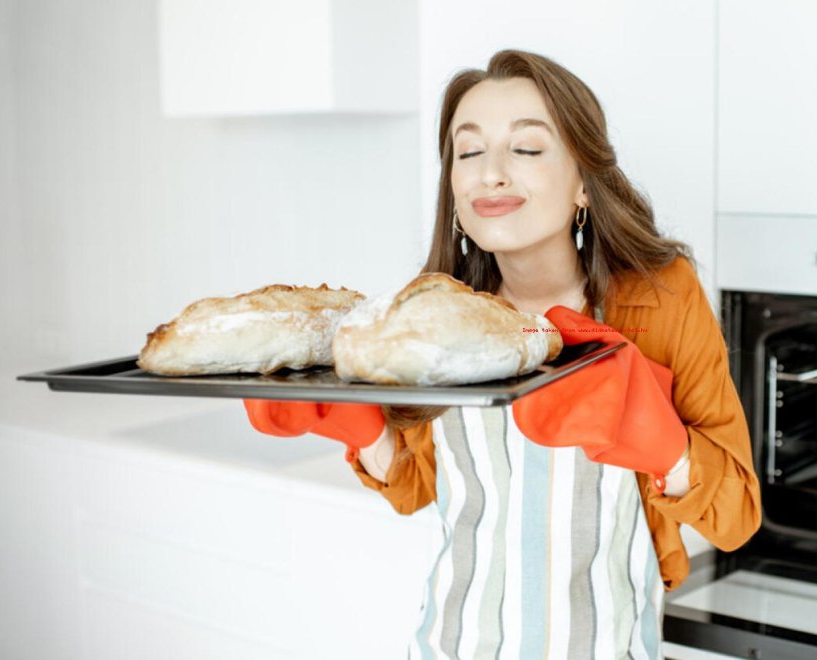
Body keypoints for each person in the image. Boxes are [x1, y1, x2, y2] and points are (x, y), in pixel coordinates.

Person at [244, 49, 760, 659]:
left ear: (585, 185)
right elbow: (416, 488)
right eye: (469, 152)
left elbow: (737, 517)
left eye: (527, 149)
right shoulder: (434, 313)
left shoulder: (660, 297)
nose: (490, 173)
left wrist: (664, 446)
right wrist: (363, 430)